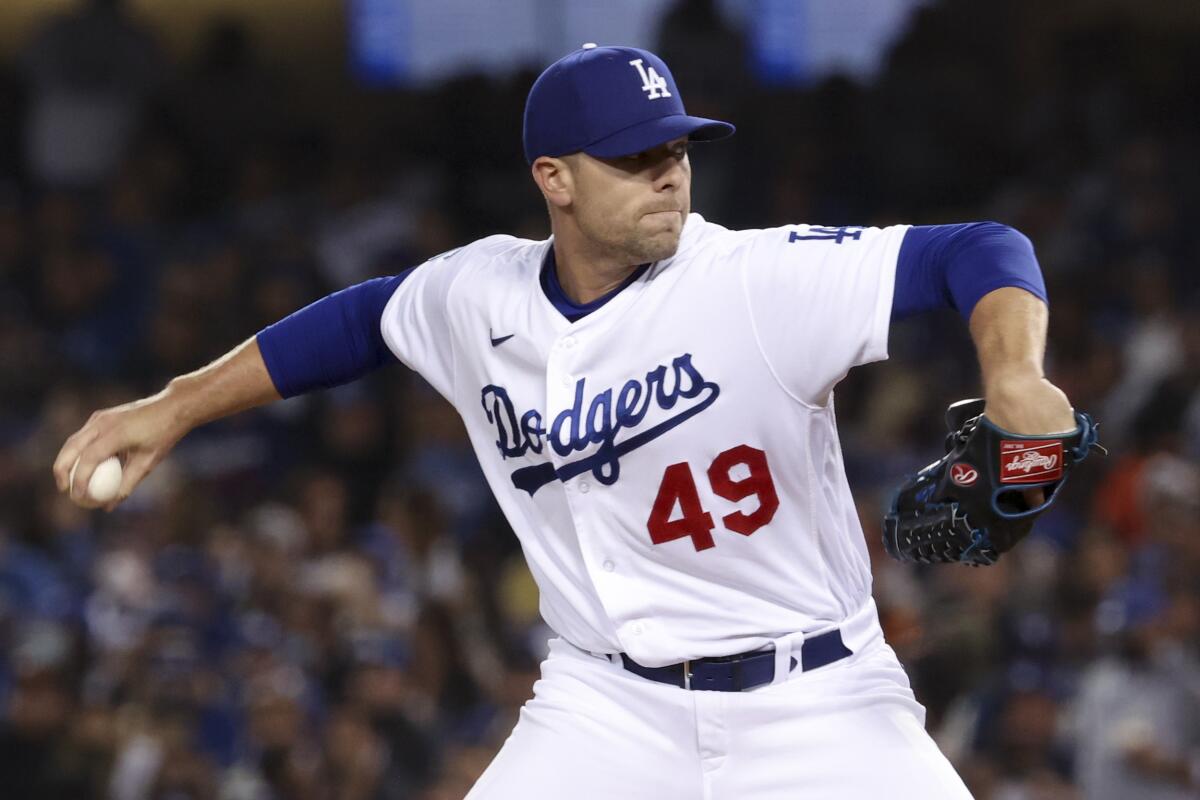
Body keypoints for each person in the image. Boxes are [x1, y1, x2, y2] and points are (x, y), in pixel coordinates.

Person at [56, 44, 1078, 798]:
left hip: (816, 696)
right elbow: (366, 320)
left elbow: (978, 249)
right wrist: (176, 404)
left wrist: (1016, 373)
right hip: (606, 706)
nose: (669, 171)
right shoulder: (480, 295)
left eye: (675, 147)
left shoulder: (756, 278)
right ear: (555, 179)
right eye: (634, 157)